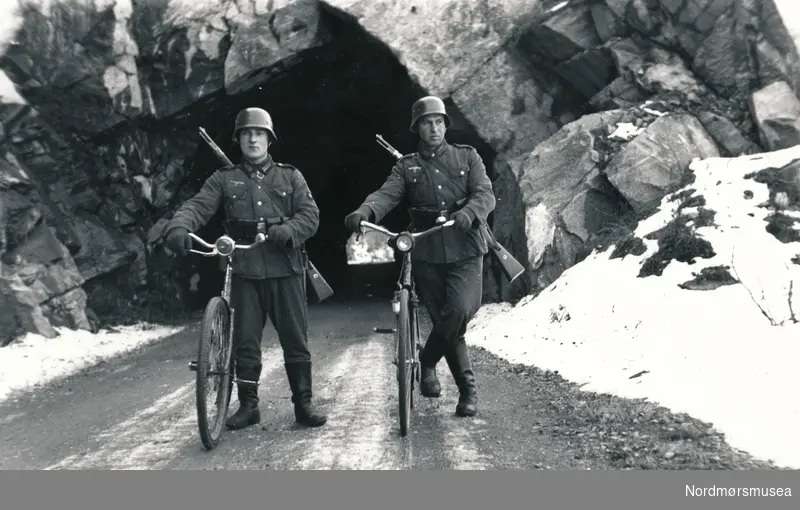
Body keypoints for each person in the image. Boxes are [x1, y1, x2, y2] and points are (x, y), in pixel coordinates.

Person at [164, 107, 327, 430]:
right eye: (246, 133)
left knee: (295, 338)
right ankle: (249, 405)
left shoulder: (290, 176)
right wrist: (178, 227)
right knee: (245, 341)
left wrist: (288, 231)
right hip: (244, 269)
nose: (253, 139)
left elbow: (310, 215)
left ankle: (303, 403)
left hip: (286, 267)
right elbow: (197, 206)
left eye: (259, 133)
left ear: (269, 139)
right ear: (238, 140)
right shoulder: (223, 180)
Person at [344, 96, 496, 417]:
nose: (434, 128)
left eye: (439, 122)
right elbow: (386, 194)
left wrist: (470, 212)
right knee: (446, 320)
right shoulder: (406, 166)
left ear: (446, 125)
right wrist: (364, 211)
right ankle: (468, 393)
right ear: (417, 128)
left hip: (465, 246)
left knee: (458, 311)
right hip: (426, 250)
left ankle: (427, 361)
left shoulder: (467, 158)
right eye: (427, 123)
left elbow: (485, 193)